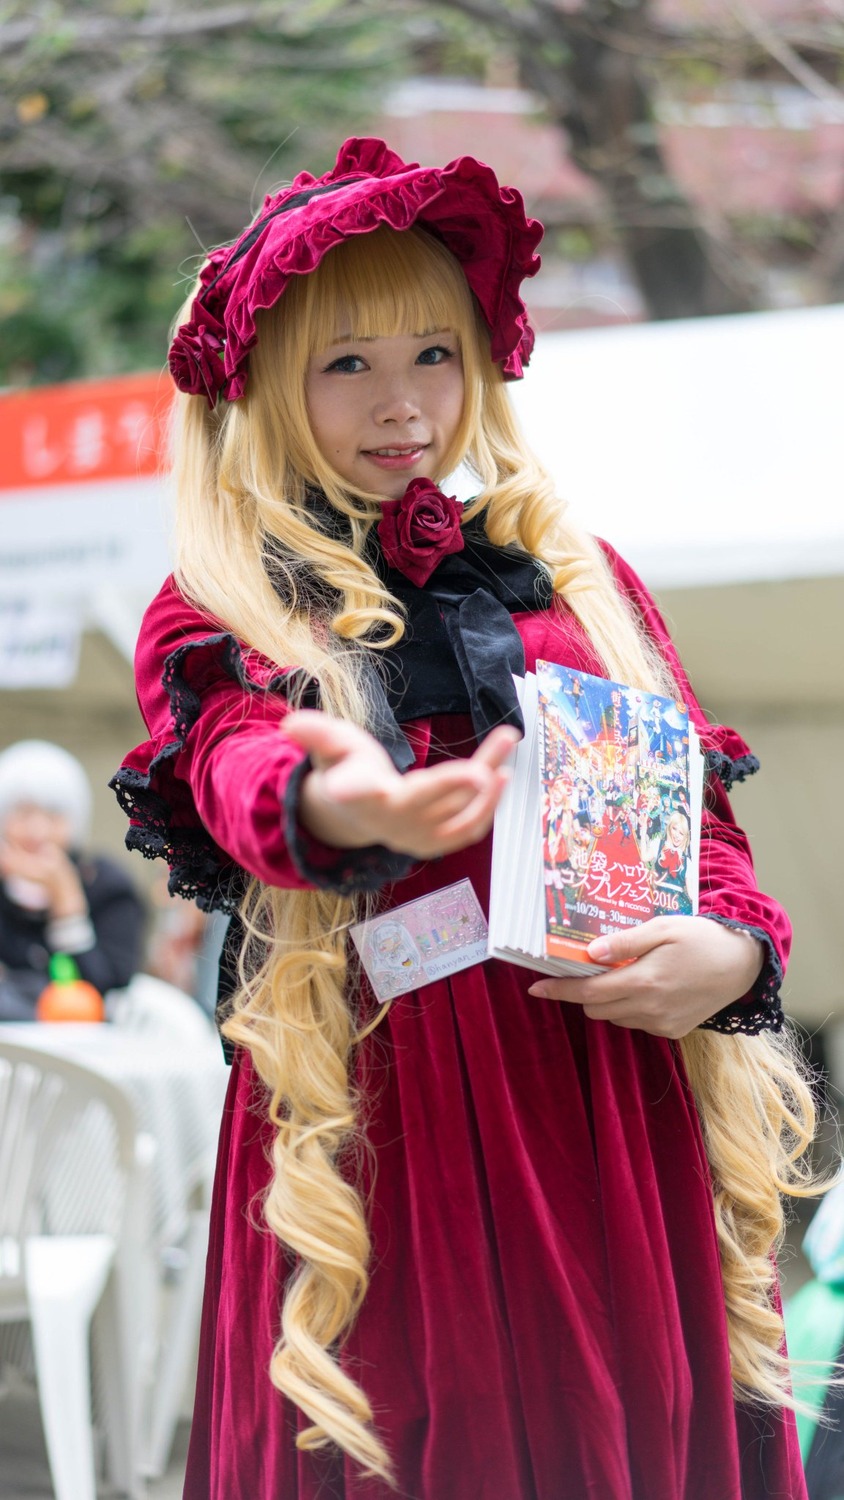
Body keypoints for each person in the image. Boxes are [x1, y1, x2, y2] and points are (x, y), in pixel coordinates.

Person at [110, 137, 814, 1499]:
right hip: (385, 1119)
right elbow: (234, 766)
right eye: (347, 363)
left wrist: (730, 959)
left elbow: (698, 829)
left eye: (433, 353)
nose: (403, 404)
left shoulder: (578, 578)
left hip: (610, 1101)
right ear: (261, 388)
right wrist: (342, 801)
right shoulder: (226, 600)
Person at [0, 739, 145, 1017]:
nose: (36, 831)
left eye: (53, 814)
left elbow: (109, 987)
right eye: (23, 812)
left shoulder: (107, 884)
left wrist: (67, 904)